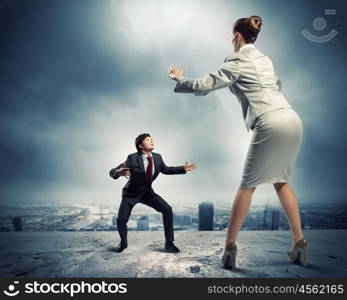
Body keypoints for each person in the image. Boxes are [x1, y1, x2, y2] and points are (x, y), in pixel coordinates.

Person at [168, 15, 308, 268]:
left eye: (232, 37)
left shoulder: (235, 60)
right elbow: (276, 85)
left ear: (237, 36)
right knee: (281, 181)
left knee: (247, 185)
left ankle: (229, 248)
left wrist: (179, 79)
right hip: (292, 118)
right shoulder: (265, 60)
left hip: (270, 121)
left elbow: (206, 84)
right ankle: (299, 241)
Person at [109, 133, 196, 253]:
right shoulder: (132, 158)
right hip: (130, 194)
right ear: (140, 145)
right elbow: (112, 171)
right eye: (148, 140)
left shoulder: (157, 158)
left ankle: (169, 243)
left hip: (147, 193)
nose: (151, 141)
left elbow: (166, 170)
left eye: (151, 139)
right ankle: (123, 243)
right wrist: (118, 172)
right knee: (121, 220)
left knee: (167, 209)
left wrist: (182, 168)